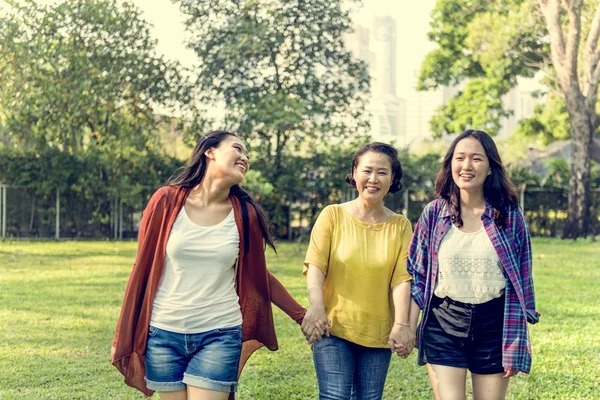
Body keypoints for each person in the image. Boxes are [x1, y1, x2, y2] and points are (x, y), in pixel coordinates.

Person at [111, 131, 306, 400]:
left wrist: (302, 315)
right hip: (163, 333)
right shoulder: (166, 202)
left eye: (247, 155)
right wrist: (129, 326)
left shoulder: (245, 214)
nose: (245, 158)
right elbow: (143, 265)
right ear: (210, 151)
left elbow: (260, 277)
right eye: (238, 148)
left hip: (219, 332)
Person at [407, 129, 540, 400]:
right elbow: (417, 275)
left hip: (493, 326)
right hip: (443, 323)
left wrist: (515, 342)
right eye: (460, 158)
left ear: (490, 167)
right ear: (451, 164)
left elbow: (522, 280)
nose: (467, 166)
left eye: (476, 159)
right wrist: (407, 328)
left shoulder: (509, 216)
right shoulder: (434, 213)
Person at [301, 142, 415, 400]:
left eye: (382, 172)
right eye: (367, 170)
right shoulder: (332, 215)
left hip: (378, 332)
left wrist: (401, 323)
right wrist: (316, 306)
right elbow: (316, 264)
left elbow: (401, 280)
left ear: (393, 178)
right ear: (354, 173)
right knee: (334, 396)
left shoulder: (400, 226)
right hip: (333, 326)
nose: (373, 179)